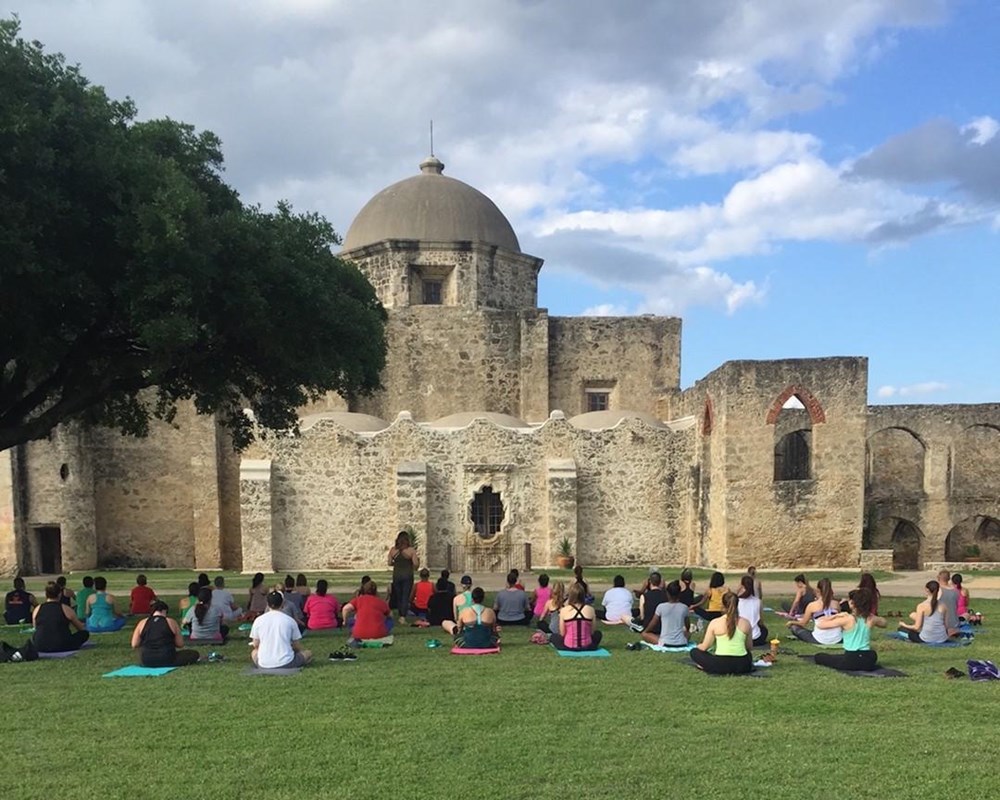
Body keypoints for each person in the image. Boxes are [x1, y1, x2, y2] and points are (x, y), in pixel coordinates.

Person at [813, 588, 885, 671]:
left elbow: (820, 624)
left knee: (819, 656)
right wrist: (873, 617)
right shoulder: (871, 618)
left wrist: (835, 616)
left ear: (852, 603)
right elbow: (884, 623)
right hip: (868, 658)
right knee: (871, 654)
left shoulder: (848, 619)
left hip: (851, 659)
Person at [691, 591, 753, 675]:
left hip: (721, 665)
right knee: (748, 655)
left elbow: (704, 647)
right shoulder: (746, 623)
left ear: (723, 606)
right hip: (743, 665)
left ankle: (704, 665)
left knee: (694, 652)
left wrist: (697, 647)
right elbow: (749, 647)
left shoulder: (715, 623)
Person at [250, 591, 312, 669]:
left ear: (268, 604)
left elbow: (255, 644)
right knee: (307, 653)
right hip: (287, 662)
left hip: (264, 663)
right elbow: (297, 646)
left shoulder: (258, 620)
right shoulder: (290, 620)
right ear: (282, 603)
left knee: (254, 653)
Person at [132, 600, 200, 667]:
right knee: (193, 654)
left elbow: (134, 644)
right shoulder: (171, 622)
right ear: (164, 611)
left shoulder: (142, 623)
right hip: (167, 658)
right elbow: (180, 644)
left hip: (147, 660)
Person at [32, 582, 89, 653]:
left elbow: (35, 627)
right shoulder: (66, 609)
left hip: (41, 645)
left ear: (46, 594)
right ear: (59, 594)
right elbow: (80, 628)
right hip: (62, 644)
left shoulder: (37, 609)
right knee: (84, 634)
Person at [787, 578, 842, 645]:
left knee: (794, 627)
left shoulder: (812, 605)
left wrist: (791, 622)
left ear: (818, 590)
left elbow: (803, 623)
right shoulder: (836, 604)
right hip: (837, 638)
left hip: (820, 639)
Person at [550, 582, 603, 652]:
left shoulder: (564, 610)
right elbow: (592, 632)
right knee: (598, 634)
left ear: (570, 596)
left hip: (569, 646)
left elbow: (562, 633)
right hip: (587, 646)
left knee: (553, 637)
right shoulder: (591, 609)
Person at [640, 580, 688, 648]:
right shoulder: (684, 607)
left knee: (644, 634)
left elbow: (653, 623)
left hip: (665, 642)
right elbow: (687, 626)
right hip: (682, 642)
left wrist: (646, 631)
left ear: (667, 594)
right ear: (679, 594)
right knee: (688, 632)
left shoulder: (661, 607)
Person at [388, 531, 419, 622]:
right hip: (407, 575)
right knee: (405, 595)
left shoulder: (393, 550)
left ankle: (399, 611)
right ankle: (403, 616)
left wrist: (397, 563)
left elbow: (389, 562)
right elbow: (415, 564)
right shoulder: (411, 550)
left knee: (398, 595)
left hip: (397, 575)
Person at [737, 574, 769, 646]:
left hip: (741, 637)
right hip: (756, 638)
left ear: (742, 586)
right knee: (764, 630)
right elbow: (761, 622)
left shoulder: (737, 601)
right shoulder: (758, 601)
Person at [936, 570, 961, 634]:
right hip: (955, 624)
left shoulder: (938, 590)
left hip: (942, 624)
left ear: (938, 578)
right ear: (949, 578)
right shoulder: (955, 590)